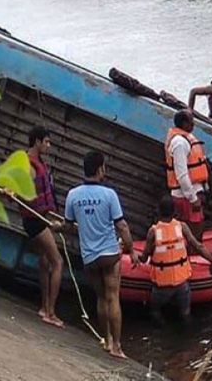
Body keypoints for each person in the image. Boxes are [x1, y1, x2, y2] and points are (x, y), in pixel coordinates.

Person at [63, 151, 139, 359]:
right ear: (99, 169)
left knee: (101, 297)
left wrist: (57, 227)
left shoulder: (73, 195)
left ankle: (105, 340)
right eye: (104, 167)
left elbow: (68, 226)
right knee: (113, 297)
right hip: (109, 254)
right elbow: (122, 226)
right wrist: (131, 250)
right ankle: (117, 346)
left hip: (89, 257)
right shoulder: (109, 195)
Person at [138, 197, 212, 324]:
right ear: (174, 211)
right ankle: (189, 335)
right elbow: (198, 246)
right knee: (185, 314)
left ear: (158, 211)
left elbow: (145, 257)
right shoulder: (182, 227)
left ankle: (162, 330)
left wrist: (135, 256)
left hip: (161, 287)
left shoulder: (153, 232)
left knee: (155, 311)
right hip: (182, 285)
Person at [24, 125, 65, 327]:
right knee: (57, 262)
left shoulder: (39, 163)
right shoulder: (28, 164)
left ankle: (44, 307)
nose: (49, 146)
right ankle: (50, 312)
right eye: (47, 142)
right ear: (37, 142)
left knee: (45, 262)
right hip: (34, 220)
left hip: (41, 218)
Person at [165, 110, 209, 242]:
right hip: (185, 196)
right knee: (193, 232)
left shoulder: (187, 139)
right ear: (184, 123)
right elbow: (182, 175)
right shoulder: (179, 142)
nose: (194, 124)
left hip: (194, 192)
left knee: (197, 229)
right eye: (191, 122)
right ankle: (191, 256)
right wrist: (193, 198)